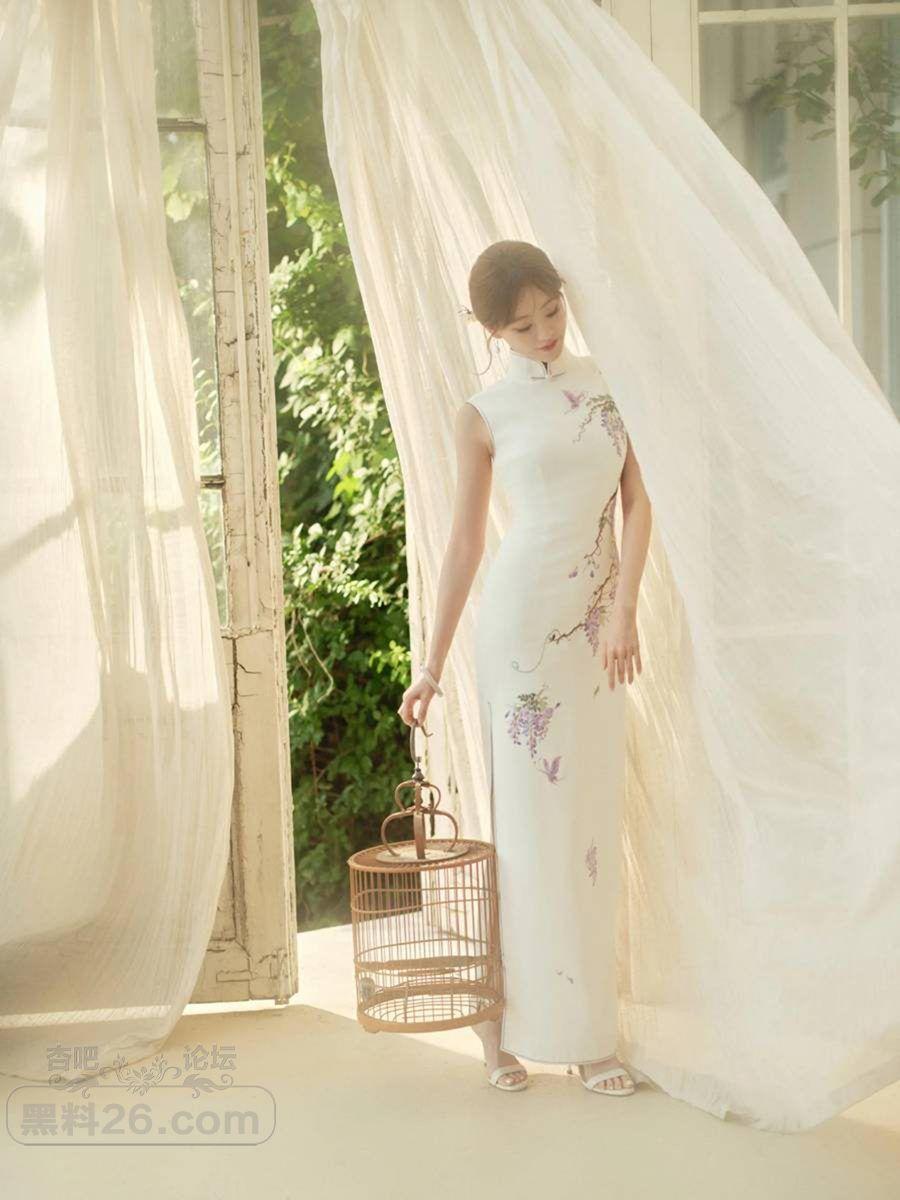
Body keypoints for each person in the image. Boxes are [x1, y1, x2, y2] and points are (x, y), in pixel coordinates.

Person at [398, 240, 652, 1095]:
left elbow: (638, 502)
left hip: (598, 633)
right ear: (492, 332)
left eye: (552, 311)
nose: (545, 332)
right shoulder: (483, 414)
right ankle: (499, 1029)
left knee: (587, 825)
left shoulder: (610, 383)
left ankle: (586, 1033)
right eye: (522, 325)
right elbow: (466, 543)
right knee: (529, 833)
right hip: (519, 632)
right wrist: (431, 665)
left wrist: (624, 609)